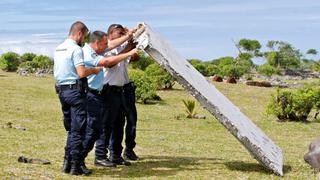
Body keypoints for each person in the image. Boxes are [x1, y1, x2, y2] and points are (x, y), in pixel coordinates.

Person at [81, 30, 137, 168]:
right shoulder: (91, 52)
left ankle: (115, 155)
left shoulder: (99, 49)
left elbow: (112, 46)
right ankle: (98, 156)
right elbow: (108, 62)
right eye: (120, 33)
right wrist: (129, 51)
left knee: (119, 124)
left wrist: (129, 37)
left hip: (119, 91)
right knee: (103, 126)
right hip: (104, 92)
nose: (107, 45)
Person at [53, 21, 102, 175]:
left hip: (62, 92)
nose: (84, 41)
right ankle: (76, 166)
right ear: (79, 33)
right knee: (78, 130)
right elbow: (81, 73)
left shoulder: (58, 48)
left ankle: (66, 163)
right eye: (84, 37)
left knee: (71, 130)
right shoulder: (76, 49)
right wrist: (94, 70)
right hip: (76, 92)